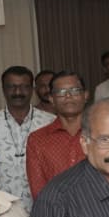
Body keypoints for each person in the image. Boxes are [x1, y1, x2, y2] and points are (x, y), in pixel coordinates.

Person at [0, 66, 55, 211]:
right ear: (3, 89)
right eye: (11, 87)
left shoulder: (51, 122)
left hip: (45, 209)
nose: (18, 92)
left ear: (32, 89)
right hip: (1, 210)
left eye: (24, 87)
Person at [26, 71, 88, 201]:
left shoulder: (102, 134)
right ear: (52, 99)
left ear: (85, 95)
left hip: (101, 211)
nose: (68, 96)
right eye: (61, 92)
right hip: (56, 211)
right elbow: (39, 193)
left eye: (74, 90)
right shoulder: (37, 140)